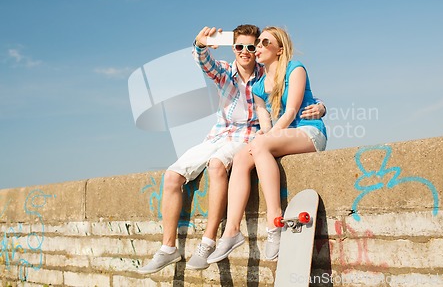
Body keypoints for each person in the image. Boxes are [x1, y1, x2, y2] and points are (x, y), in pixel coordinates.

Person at [138, 25, 326, 274]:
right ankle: (169, 248)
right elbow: (205, 63)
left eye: (255, 45)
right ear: (233, 48)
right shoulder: (229, 72)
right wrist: (200, 44)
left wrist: (321, 107)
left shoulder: (269, 71)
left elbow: (297, 101)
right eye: (242, 46)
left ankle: (211, 241)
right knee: (172, 176)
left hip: (253, 135)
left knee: (219, 165)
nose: (249, 51)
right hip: (219, 135)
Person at [207, 26, 328, 264]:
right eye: (257, 44)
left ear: (279, 50)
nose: (257, 48)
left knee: (260, 145)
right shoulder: (259, 86)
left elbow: (291, 111)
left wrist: (263, 139)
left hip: (308, 132)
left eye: (264, 43)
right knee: (242, 157)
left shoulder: (295, 69)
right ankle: (231, 231)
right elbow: (265, 123)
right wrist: (259, 139)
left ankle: (275, 224)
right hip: (280, 136)